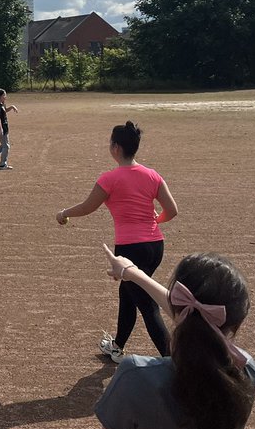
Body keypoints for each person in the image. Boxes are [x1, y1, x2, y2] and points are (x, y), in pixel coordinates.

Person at [96, 247, 255, 429]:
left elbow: (192, 317)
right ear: (237, 321)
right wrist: (134, 273)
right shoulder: (247, 371)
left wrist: (133, 274)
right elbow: (199, 321)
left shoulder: (136, 375)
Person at [56, 120, 178, 361]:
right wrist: (156, 220)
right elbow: (171, 210)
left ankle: (172, 360)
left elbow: (87, 207)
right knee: (128, 293)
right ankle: (117, 346)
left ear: (116, 148)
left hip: (130, 250)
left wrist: (64, 213)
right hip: (155, 246)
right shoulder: (152, 175)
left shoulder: (109, 179)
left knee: (146, 303)